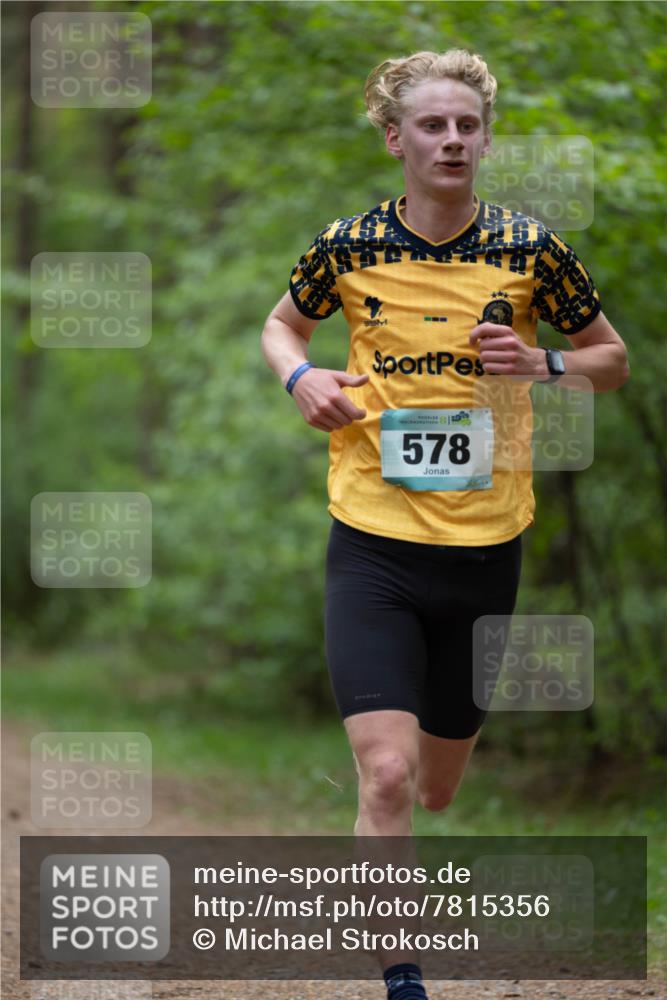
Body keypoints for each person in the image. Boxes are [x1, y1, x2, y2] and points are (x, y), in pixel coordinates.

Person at [261, 48, 629, 1000]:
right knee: (384, 778)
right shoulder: (344, 247)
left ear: (484, 139)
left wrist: (542, 368)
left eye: (467, 125)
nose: (452, 139)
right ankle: (402, 979)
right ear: (396, 140)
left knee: (434, 785)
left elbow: (611, 358)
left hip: (484, 545)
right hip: (371, 540)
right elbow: (280, 327)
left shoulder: (530, 251)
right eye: (432, 124)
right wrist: (300, 377)